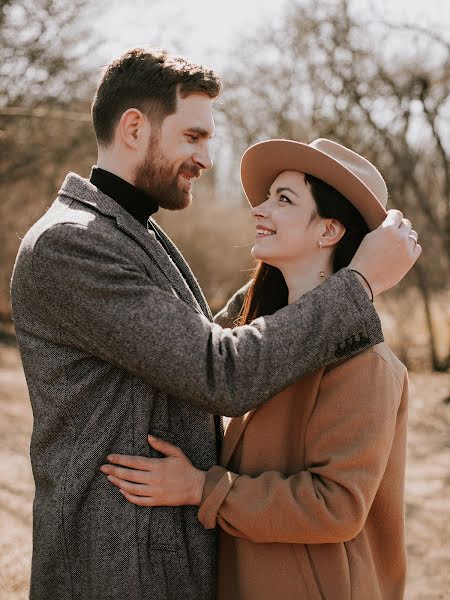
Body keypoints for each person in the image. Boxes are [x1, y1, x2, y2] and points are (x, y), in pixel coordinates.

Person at [9, 45, 419, 600]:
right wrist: (359, 281)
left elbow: (200, 340)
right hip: (116, 569)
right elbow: (218, 371)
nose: (206, 158)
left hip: (170, 561)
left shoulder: (135, 232)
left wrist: (306, 278)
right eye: (194, 136)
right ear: (135, 127)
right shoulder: (73, 244)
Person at [103, 139, 412, 600]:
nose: (259, 210)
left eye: (283, 199)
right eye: (268, 196)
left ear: (328, 231)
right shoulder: (262, 342)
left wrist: (199, 489)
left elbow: (336, 507)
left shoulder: (364, 364)